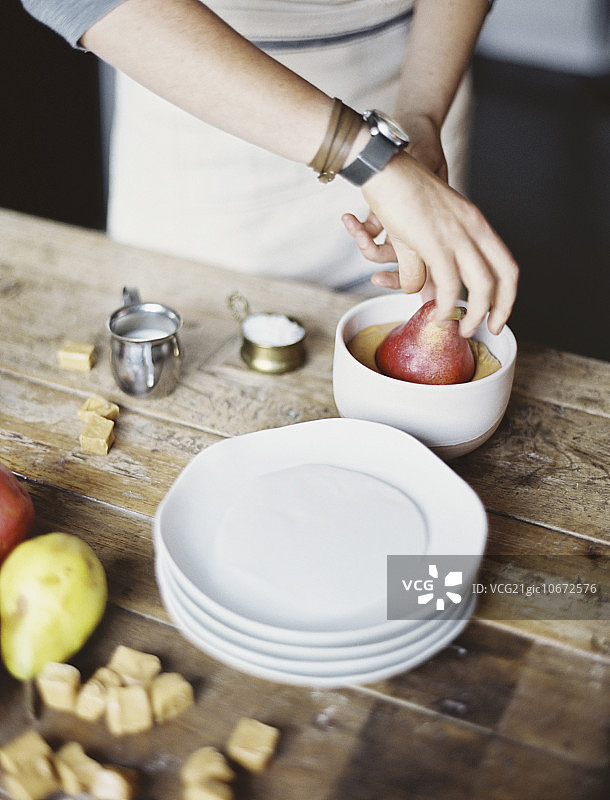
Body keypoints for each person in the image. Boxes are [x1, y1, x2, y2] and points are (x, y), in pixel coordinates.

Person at [20, 0, 518, 338]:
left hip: (415, 95)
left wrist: (420, 121)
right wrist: (371, 160)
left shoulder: (408, 140)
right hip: (206, 139)